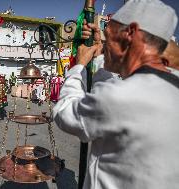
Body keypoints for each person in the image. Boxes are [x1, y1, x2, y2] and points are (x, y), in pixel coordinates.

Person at [53, 1, 179, 189]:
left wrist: (78, 66)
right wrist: (100, 57)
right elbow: (111, 94)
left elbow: (64, 113)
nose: (104, 46)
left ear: (130, 33)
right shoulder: (168, 84)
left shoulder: (122, 98)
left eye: (108, 37)